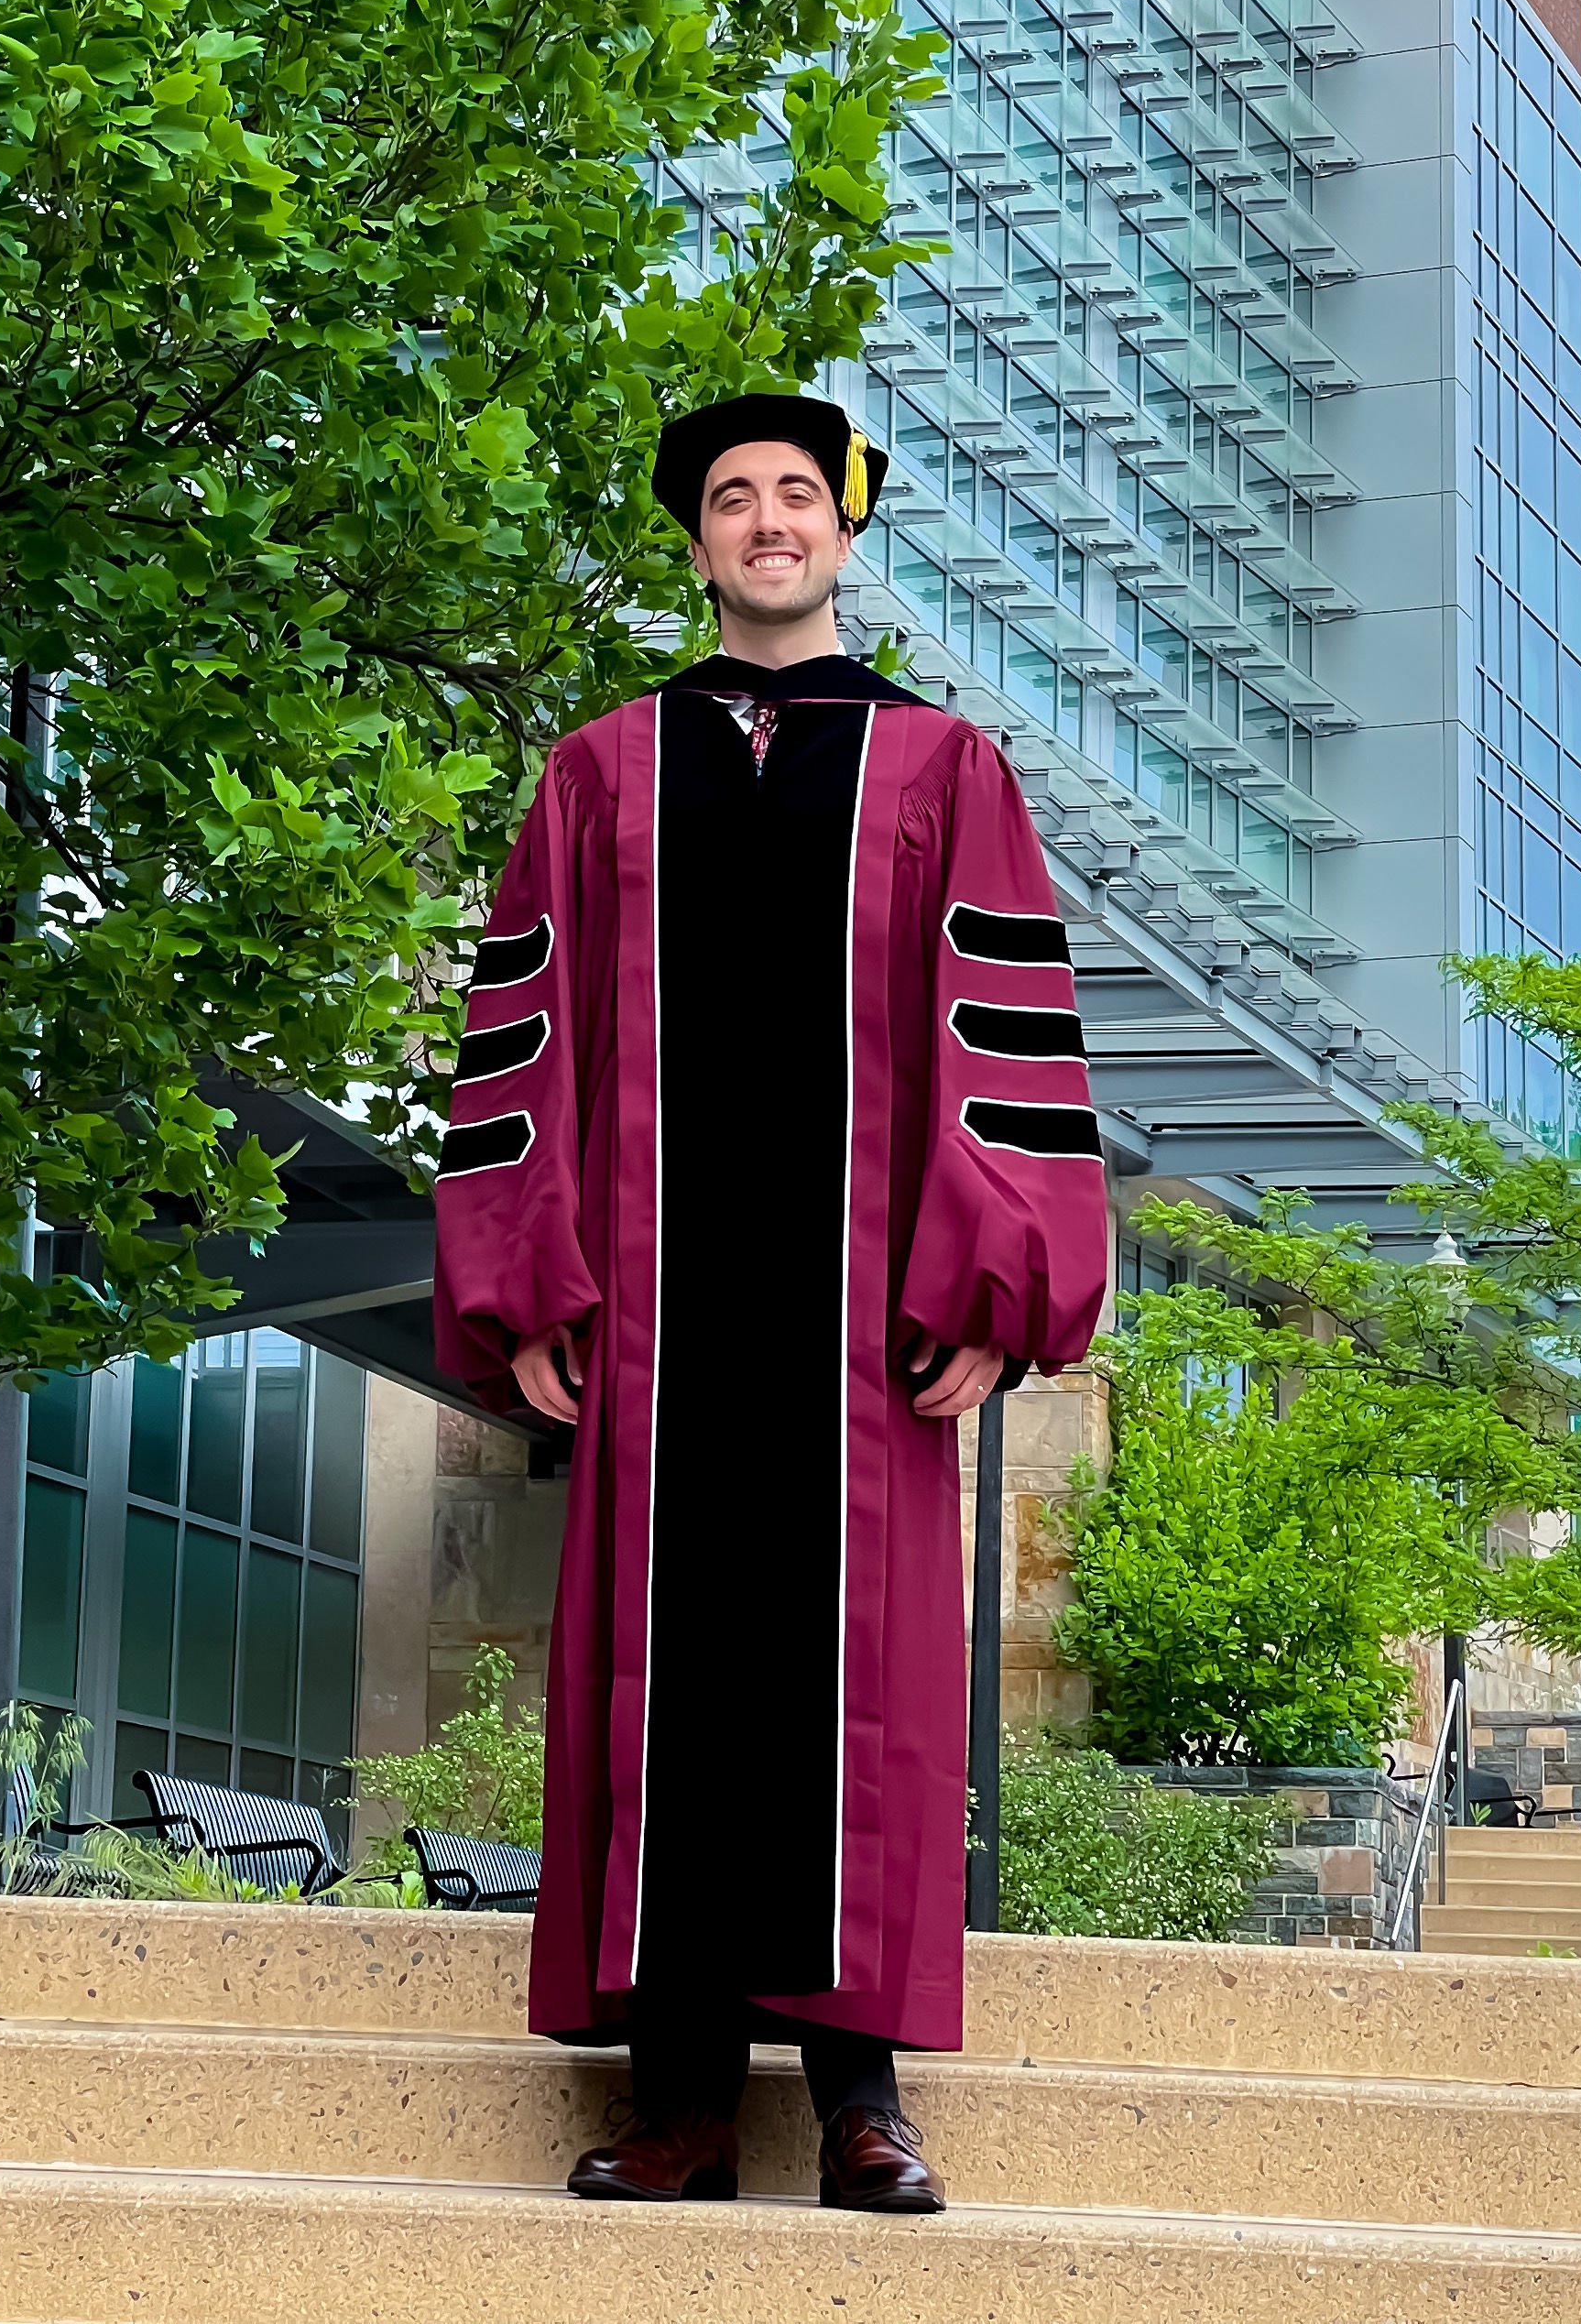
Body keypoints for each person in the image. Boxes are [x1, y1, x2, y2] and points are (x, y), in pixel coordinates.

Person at [429, 391, 1109, 2212]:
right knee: (671, 1697)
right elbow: (526, 1046)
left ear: (842, 531)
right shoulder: (599, 775)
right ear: (699, 542)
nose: (766, 522)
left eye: (796, 494)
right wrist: (528, 1292)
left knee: (858, 1707)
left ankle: (866, 2104)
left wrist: (996, 1288)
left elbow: (1007, 1049)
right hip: (653, 1331)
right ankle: (682, 2106)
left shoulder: (941, 770)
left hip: (858, 1341)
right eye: (733, 499)